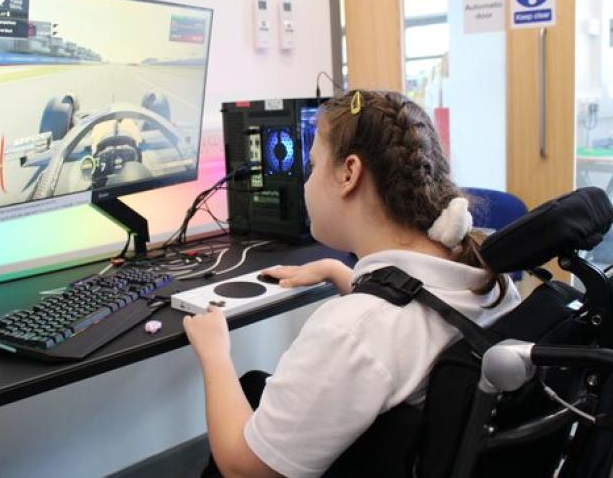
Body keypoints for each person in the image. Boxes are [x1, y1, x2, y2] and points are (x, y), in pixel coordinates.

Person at [183, 90, 521, 477]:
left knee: (243, 388)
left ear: (349, 174)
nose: (307, 184)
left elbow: (246, 470)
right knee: (257, 388)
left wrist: (215, 354)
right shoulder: (481, 272)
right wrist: (338, 272)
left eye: (311, 167)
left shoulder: (351, 331)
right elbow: (414, 319)